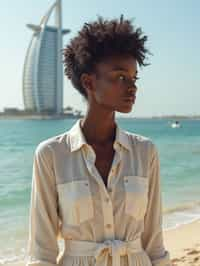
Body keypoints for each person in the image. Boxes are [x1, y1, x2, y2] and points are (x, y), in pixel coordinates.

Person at [26, 15, 172, 266]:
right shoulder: (51, 154)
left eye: (134, 78)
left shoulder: (145, 151)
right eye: (120, 77)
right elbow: (42, 253)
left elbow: (154, 242)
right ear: (89, 82)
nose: (132, 88)